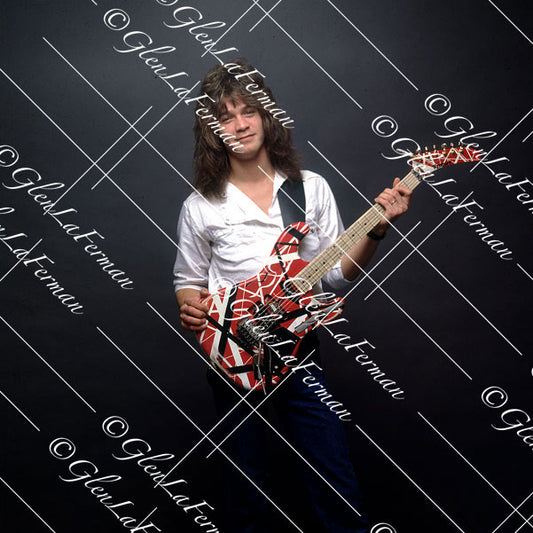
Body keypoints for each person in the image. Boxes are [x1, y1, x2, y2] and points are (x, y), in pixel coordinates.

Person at [173, 59, 412, 533]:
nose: (239, 125)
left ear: (266, 116)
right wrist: (188, 303)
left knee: (332, 473)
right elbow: (188, 277)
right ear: (212, 131)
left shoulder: (310, 188)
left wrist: (378, 229)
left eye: (247, 111)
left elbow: (338, 273)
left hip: (298, 351)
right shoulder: (200, 205)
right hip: (235, 357)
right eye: (224, 116)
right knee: (247, 485)